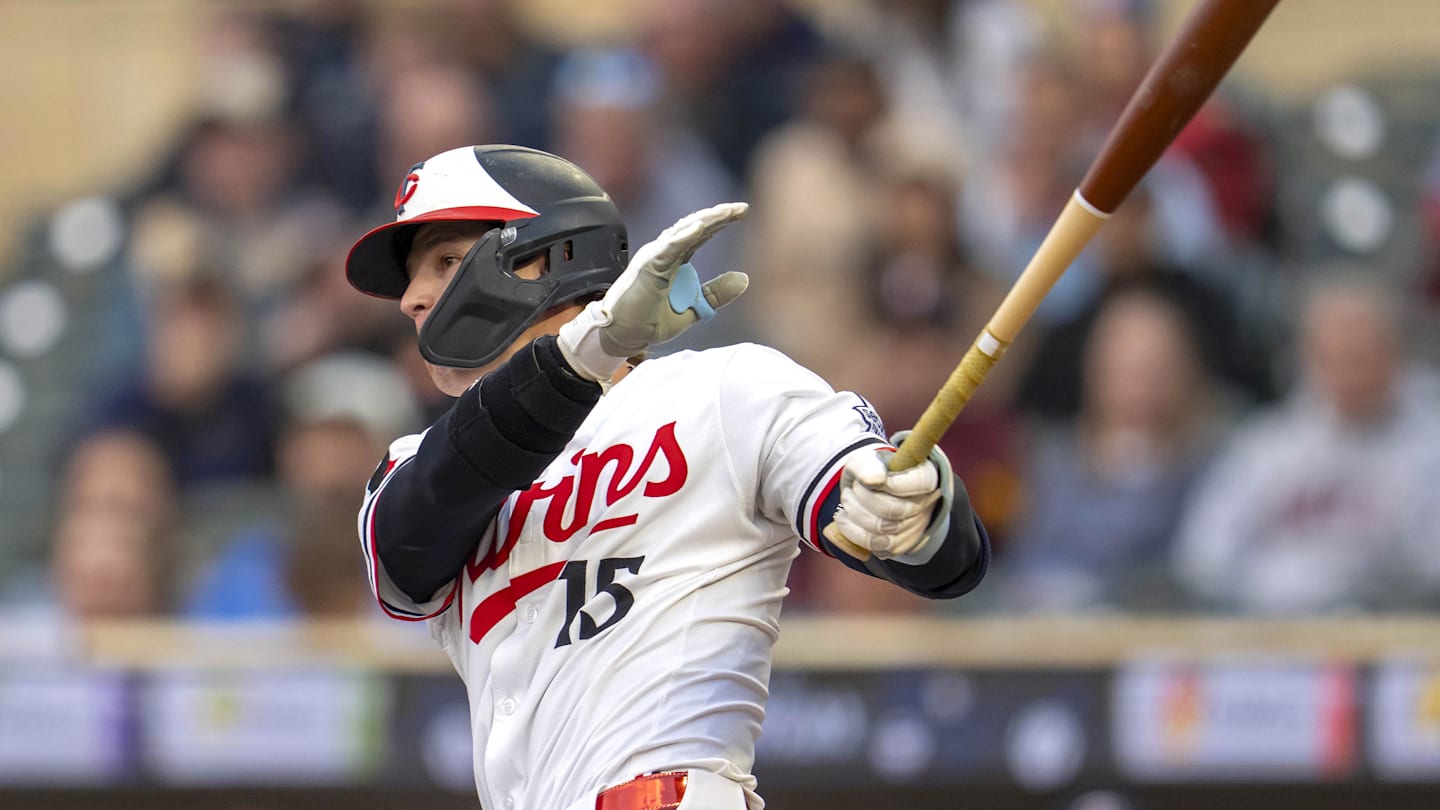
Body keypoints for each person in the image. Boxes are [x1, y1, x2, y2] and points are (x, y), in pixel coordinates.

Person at [344, 145, 990, 809]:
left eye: (446, 261)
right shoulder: (417, 461)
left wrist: (916, 509)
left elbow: (931, 555)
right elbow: (411, 540)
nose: (412, 299)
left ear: (548, 257)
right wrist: (582, 354)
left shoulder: (724, 390)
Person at [1173, 274, 1440, 614]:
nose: (1351, 371)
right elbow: (1203, 558)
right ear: (1309, 359)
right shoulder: (1265, 447)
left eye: (1362, 354)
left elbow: (1432, 570)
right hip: (1264, 639)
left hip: (1389, 639)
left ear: (1395, 355)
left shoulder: (1430, 445)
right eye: (1336, 355)